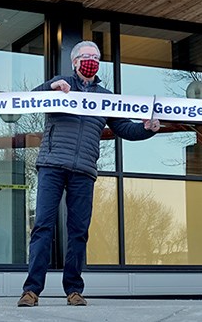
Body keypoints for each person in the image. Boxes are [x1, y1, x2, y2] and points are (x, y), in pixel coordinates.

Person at [17, 41, 160, 307]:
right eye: (85, 56)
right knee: (42, 228)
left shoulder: (106, 97)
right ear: (74, 62)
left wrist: (148, 129)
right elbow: (30, 100)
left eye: (95, 57)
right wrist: (51, 88)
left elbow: (124, 128)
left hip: (84, 170)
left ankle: (74, 290)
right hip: (52, 165)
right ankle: (31, 290)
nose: (91, 60)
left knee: (78, 232)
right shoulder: (60, 84)